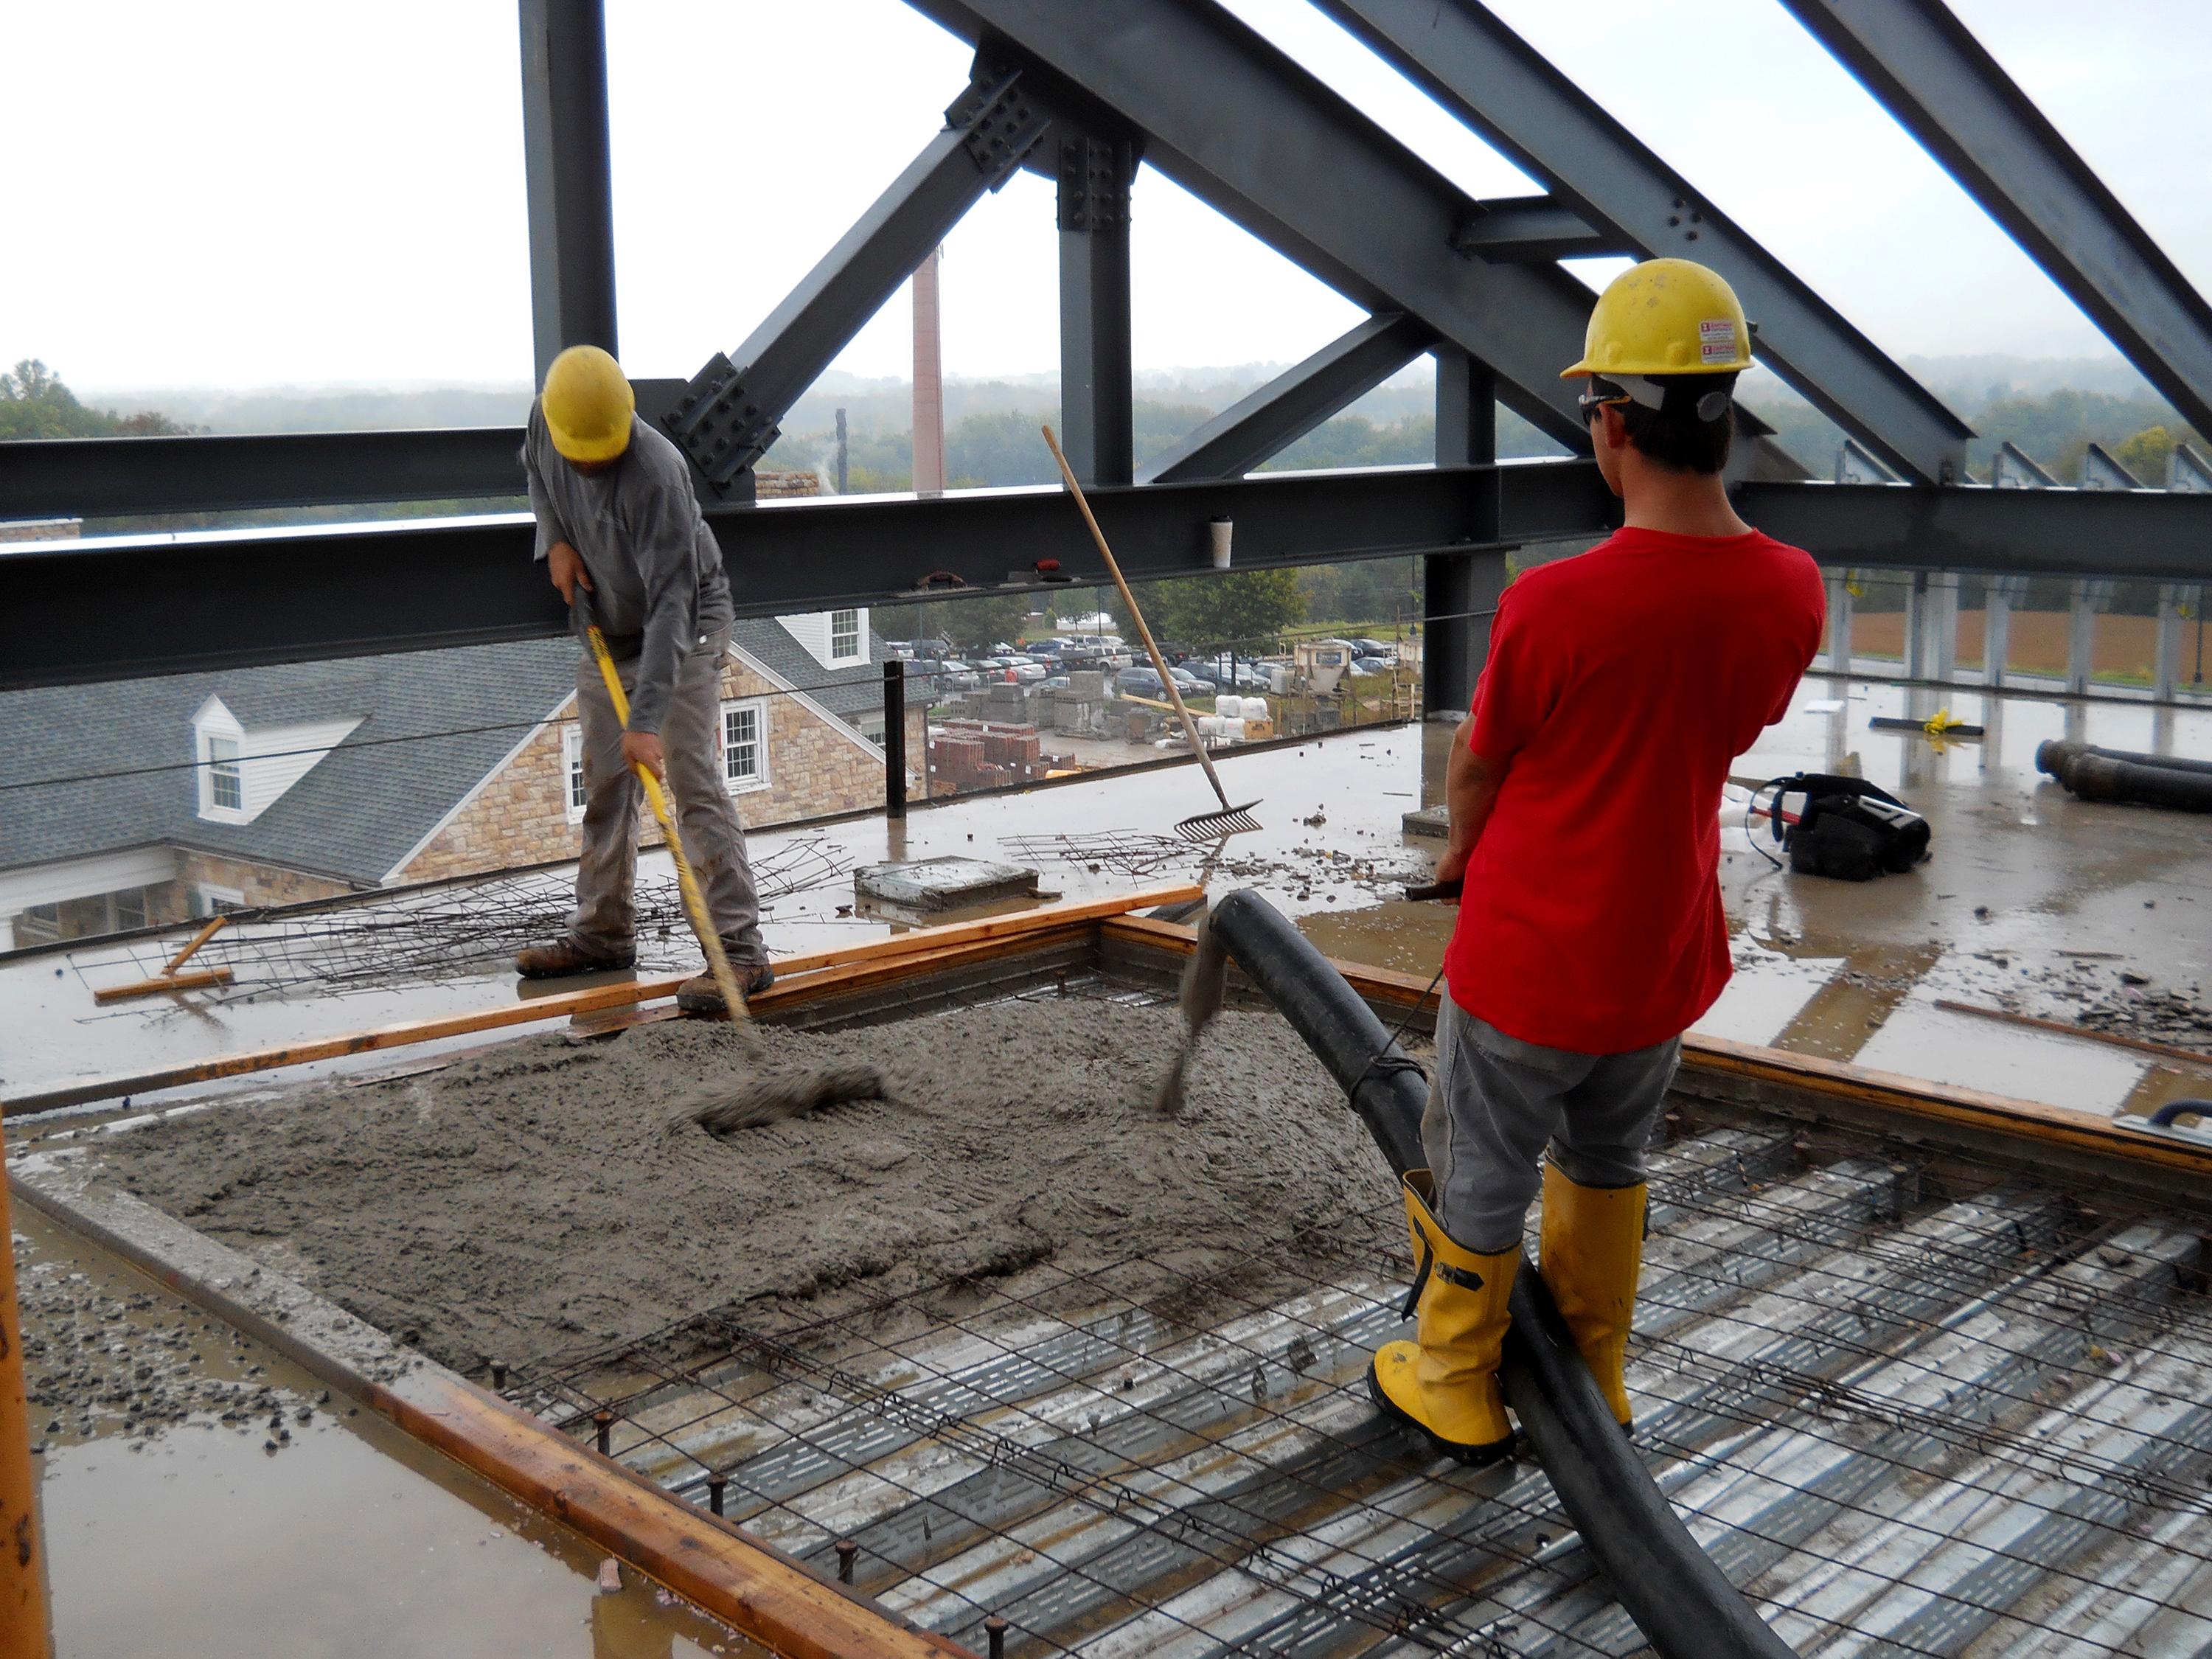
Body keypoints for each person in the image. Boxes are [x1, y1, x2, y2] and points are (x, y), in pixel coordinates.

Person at [1368, 260, 1826, 1463]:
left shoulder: (1556, 604)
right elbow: (1731, 723)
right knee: (1610, 1160)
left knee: (1480, 1166)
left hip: (1532, 956)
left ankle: (1456, 1378)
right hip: (1661, 953)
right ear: (1722, 411)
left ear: (1613, 422)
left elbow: (1481, 764)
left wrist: (1463, 855)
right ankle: (1597, 1371)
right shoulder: (1789, 587)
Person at [512, 344, 772, 1014]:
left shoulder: (656, 475)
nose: (592, 462)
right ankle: (602, 936)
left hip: (684, 625)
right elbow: (536, 472)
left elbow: (673, 607)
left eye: (603, 451)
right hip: (608, 623)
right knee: (605, 784)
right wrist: (556, 540)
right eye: (582, 452)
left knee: (690, 785)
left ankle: (740, 955)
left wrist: (647, 719)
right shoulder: (549, 421)